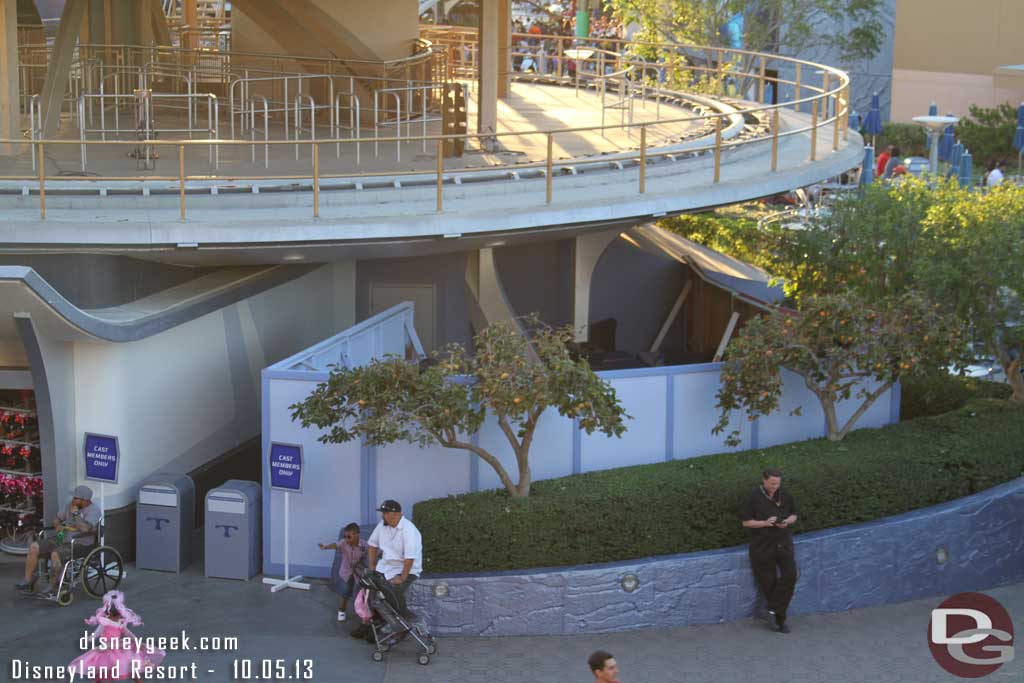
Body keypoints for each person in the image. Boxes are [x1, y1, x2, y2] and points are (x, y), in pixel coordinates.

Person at [15, 485, 101, 598]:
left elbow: (85, 528)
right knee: (34, 546)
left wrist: (76, 514)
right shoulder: (70, 505)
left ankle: (53, 586)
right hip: (62, 538)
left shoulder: (93, 510)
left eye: (76, 498)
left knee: (56, 554)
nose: (73, 500)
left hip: (80, 543)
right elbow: (56, 518)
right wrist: (58, 525)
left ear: (85, 500)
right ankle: (28, 581)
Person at [741, 468, 798, 634]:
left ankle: (771, 610)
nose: (775, 486)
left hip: (783, 542)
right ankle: (780, 621)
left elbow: (794, 514)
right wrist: (765, 523)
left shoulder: (785, 495)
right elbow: (746, 522)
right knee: (769, 583)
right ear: (764, 480)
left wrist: (786, 521)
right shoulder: (753, 497)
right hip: (762, 545)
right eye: (772, 483)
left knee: (790, 575)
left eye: (777, 484)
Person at [68, 590, 165, 682]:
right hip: (106, 649)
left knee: (130, 663)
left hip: (118, 647)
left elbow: (128, 633)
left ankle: (138, 681)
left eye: (119, 615)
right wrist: (89, 639)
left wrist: (137, 642)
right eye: (116, 616)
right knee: (105, 668)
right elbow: (96, 634)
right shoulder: (104, 622)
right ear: (109, 614)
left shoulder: (120, 622)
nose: (118, 618)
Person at [366, 499, 422, 621]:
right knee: (367, 586)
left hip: (406, 569)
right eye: (383, 512)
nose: (382, 515)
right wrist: (371, 566)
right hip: (385, 567)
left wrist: (402, 577)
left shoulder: (409, 530)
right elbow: (372, 545)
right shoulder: (382, 524)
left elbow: (409, 558)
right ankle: (372, 622)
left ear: (396, 514)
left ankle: (402, 619)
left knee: (391, 590)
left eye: (385, 512)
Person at [319, 522, 367, 622]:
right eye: (345, 536)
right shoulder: (343, 543)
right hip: (347, 572)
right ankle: (342, 610)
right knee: (346, 591)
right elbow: (335, 545)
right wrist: (325, 547)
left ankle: (363, 613)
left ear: (357, 535)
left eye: (349, 536)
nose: (346, 539)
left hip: (359, 573)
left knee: (361, 593)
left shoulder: (364, 545)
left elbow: (375, 552)